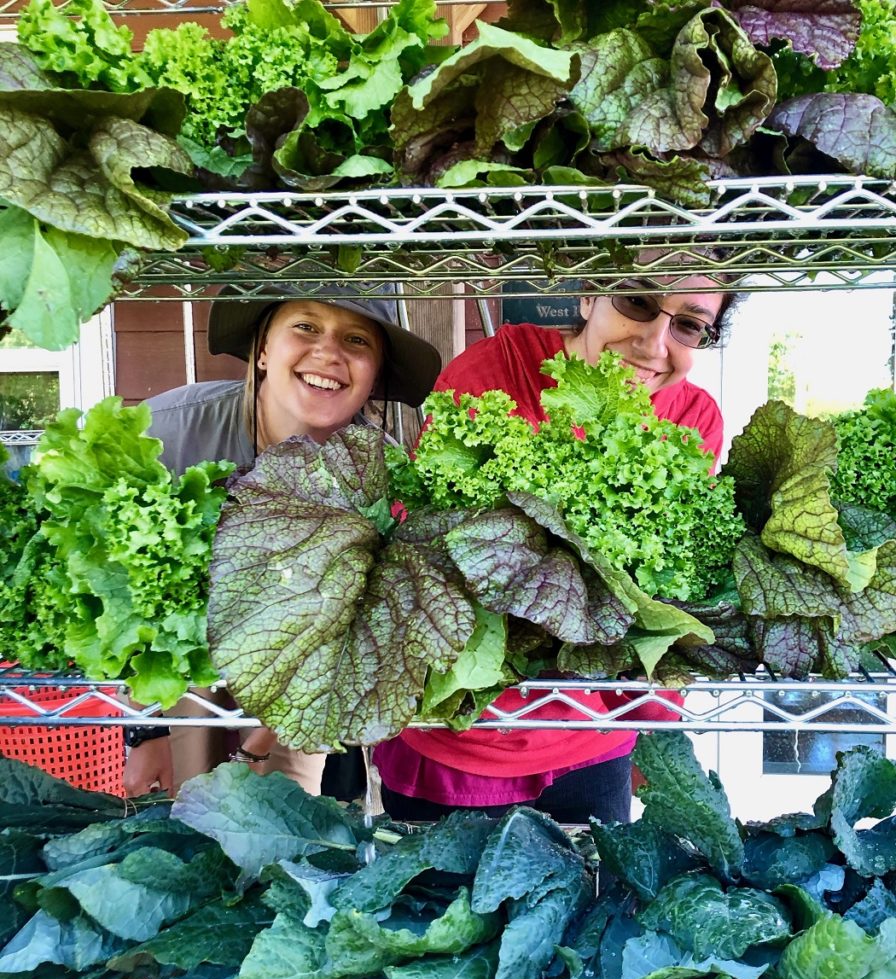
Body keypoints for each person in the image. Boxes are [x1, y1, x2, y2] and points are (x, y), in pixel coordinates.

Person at [372, 274, 739, 825]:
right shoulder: (498, 371)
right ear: (589, 296)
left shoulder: (694, 420)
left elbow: (657, 592)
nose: (654, 342)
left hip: (589, 742)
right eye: (636, 303)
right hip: (462, 736)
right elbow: (436, 547)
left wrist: (655, 724)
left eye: (688, 324)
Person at [122, 286, 441, 799]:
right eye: (306, 327)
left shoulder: (383, 475)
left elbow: (355, 643)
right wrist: (144, 731)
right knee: (183, 820)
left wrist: (261, 745)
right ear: (263, 349)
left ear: (374, 375)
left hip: (306, 686)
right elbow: (118, 596)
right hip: (186, 678)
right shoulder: (168, 434)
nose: (328, 353)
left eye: (356, 339)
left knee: (287, 823)